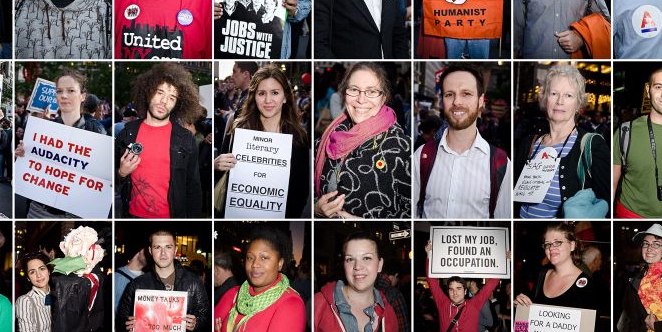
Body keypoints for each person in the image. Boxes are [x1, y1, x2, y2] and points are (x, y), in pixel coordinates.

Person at [414, 62, 512, 219]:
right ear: (442, 101)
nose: (457, 102)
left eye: (466, 94)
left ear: (481, 101)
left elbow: (503, 222)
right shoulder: (421, 156)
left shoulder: (500, 162)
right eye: (449, 94)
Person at [315, 62, 410, 219]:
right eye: (354, 90)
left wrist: (364, 224)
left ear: (383, 98)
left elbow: (411, 214)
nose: (361, 99)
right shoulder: (325, 140)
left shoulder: (402, 147)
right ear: (344, 93)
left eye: (371, 92)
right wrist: (316, 209)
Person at [214, 64, 309, 218]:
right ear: (254, 96)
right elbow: (221, 178)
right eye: (262, 93)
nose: (268, 100)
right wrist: (216, 166)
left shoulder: (298, 138)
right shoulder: (239, 129)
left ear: (285, 97)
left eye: (275, 93)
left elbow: (300, 193)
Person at [514, 65, 609, 218]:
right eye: (554, 93)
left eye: (568, 95)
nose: (560, 101)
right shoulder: (529, 143)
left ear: (578, 103)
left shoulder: (592, 145)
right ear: (545, 98)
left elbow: (605, 202)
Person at [213, 225, 305, 332]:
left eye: (264, 257)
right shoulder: (232, 294)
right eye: (250, 257)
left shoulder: (291, 304)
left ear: (280, 263)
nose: (255, 264)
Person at [514, 223, 604, 332]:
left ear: (572, 245)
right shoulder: (542, 274)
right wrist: (520, 308)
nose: (551, 248)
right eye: (548, 244)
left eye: (558, 242)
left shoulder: (586, 285)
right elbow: (526, 324)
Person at [116, 229, 210, 332]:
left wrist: (196, 323)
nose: (163, 253)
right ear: (150, 251)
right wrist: (128, 325)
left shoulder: (193, 281)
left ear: (175, 250)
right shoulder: (137, 284)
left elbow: (206, 316)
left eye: (168, 247)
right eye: (157, 247)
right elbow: (121, 319)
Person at [115, 62, 203, 218]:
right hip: (132, 218)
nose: (164, 101)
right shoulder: (127, 133)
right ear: (148, 92)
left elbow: (193, 188)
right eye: (160, 92)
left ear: (177, 104)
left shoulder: (186, 139)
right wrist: (121, 173)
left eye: (172, 98)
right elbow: (109, 181)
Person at [16, 69, 108, 218]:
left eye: (71, 90)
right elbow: (31, 171)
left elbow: (103, 176)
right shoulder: (43, 129)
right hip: (39, 211)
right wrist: (22, 157)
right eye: (59, 91)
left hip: (74, 214)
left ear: (82, 96)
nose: (64, 96)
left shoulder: (96, 130)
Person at [314, 234, 400, 332]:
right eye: (350, 259)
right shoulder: (319, 304)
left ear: (379, 264)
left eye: (366, 258)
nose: (358, 267)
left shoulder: (389, 313)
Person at [612, 66, 662, 218]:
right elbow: (612, 183)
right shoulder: (625, 132)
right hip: (630, 214)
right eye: (658, 87)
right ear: (648, 91)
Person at [424, 240, 499, 332]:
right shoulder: (443, 304)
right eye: (451, 289)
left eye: (458, 288)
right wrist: (429, 255)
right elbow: (431, 281)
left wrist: (505, 261)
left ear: (465, 291)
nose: (455, 293)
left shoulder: (474, 304)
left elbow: (492, 284)